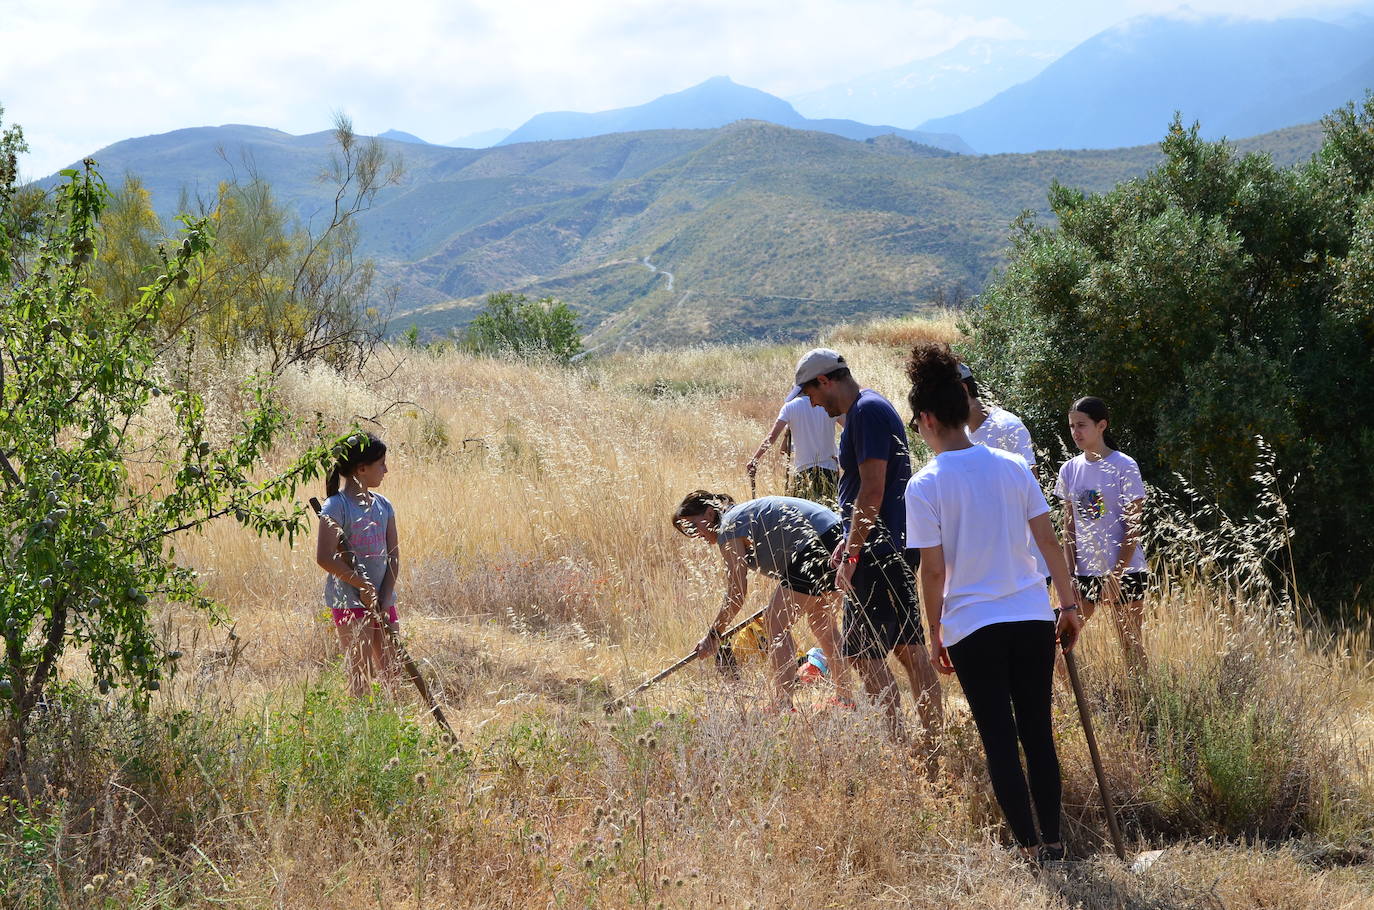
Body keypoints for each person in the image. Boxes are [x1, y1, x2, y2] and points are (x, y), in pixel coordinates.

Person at [903, 342, 1083, 863]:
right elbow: (1048, 543)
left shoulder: (925, 484)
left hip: (972, 626)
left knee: (1000, 740)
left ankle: (1028, 847)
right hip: (1030, 616)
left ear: (928, 418)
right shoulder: (1012, 466)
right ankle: (1054, 843)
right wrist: (1068, 606)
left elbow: (933, 571)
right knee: (1038, 733)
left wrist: (934, 630)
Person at [792, 348, 943, 743]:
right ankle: (931, 742)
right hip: (885, 547)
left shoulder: (866, 411)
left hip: (879, 552)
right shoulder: (868, 408)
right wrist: (848, 541)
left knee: (865, 653)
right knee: (906, 648)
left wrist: (853, 551)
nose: (812, 403)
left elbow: (873, 489)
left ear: (825, 380)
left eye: (810, 393)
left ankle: (902, 744)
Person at [673, 492, 855, 711]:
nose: (694, 534)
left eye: (694, 526)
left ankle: (783, 705)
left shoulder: (728, 526)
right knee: (822, 623)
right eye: (688, 531)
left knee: (775, 623)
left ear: (710, 513)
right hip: (839, 540)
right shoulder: (738, 518)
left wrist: (713, 635)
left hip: (817, 544)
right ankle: (846, 699)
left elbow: (737, 592)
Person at [1056, 396, 1149, 671]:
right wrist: (1069, 575)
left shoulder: (1124, 465)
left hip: (1125, 571)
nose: (1076, 432)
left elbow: (1133, 527)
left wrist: (1116, 576)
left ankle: (1143, 696)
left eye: (1081, 425)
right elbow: (1069, 528)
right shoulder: (1069, 469)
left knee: (1130, 645)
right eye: (1072, 426)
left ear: (1102, 426)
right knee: (1060, 642)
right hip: (1085, 573)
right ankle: (1071, 697)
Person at [315, 432, 400, 698]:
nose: (386, 470)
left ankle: (392, 719)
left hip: (383, 600)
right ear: (361, 469)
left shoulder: (384, 506)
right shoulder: (335, 506)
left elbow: (393, 556)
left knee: (393, 670)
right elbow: (325, 557)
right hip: (350, 602)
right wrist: (362, 586)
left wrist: (385, 595)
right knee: (360, 674)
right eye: (381, 464)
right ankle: (362, 720)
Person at [961, 362, 1049, 583]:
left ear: (963, 389)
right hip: (988, 565)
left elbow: (1031, 488)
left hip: (1024, 563)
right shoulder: (962, 434)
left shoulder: (1007, 426)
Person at [748, 388, 842, 506]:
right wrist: (843, 454)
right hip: (829, 469)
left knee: (803, 513)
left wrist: (755, 459)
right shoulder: (828, 403)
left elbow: (772, 437)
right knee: (831, 510)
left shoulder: (790, 407)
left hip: (804, 472)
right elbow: (849, 426)